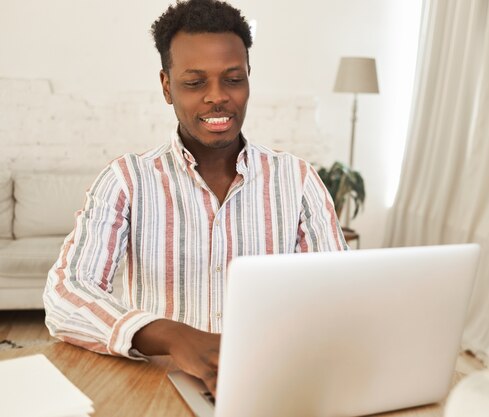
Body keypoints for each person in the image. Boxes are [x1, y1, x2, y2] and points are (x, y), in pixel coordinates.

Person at [43, 0, 347, 396]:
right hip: (158, 386)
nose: (217, 97)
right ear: (167, 87)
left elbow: (339, 297)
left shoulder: (299, 180)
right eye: (194, 82)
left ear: (249, 79)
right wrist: (172, 336)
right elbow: (66, 293)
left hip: (270, 383)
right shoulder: (126, 181)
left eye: (233, 79)